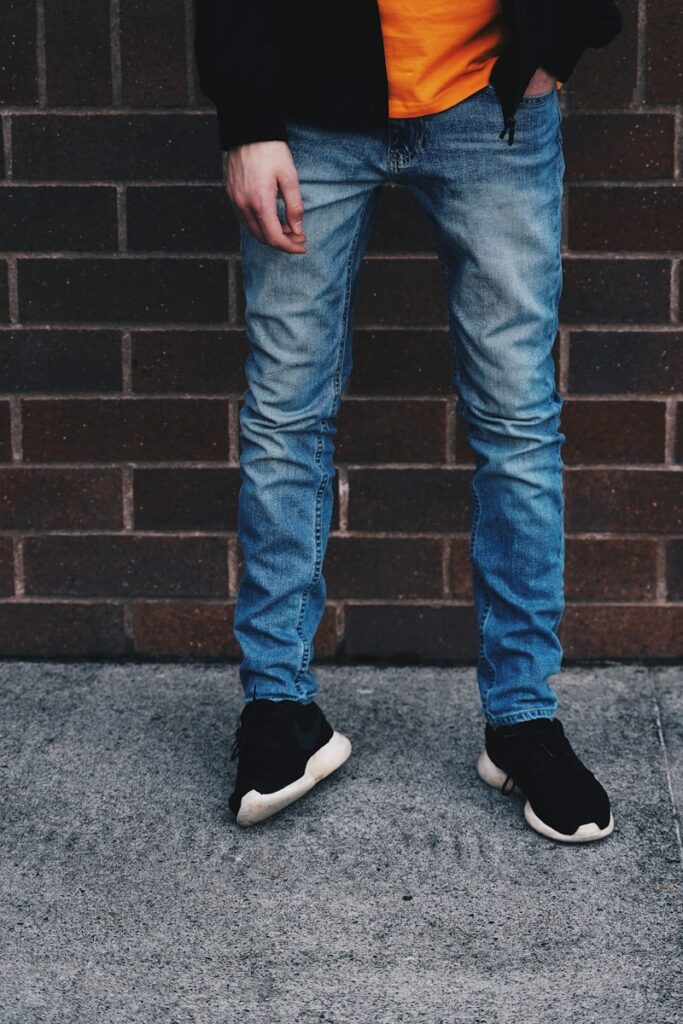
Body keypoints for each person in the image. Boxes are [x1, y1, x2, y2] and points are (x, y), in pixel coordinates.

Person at [193, 0, 623, 840]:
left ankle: (522, 721)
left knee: (517, 423)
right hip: (307, 113)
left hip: (491, 100)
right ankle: (280, 711)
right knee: (285, 415)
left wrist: (560, 38)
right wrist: (246, 118)